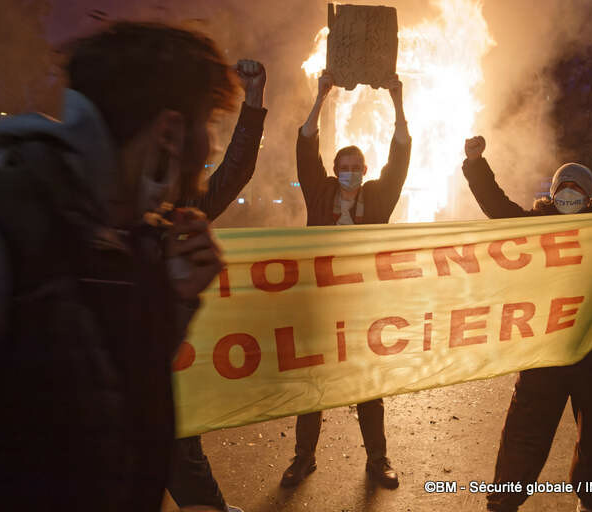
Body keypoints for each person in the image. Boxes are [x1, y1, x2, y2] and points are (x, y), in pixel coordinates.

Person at [0, 22, 230, 511]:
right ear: (170, 133)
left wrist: (174, 301)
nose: (209, 155)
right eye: (209, 130)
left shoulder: (123, 240)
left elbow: (107, 404)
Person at [462, 135, 592, 512]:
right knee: (525, 433)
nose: (570, 195)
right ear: (552, 193)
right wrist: (475, 163)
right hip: (544, 352)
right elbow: (498, 208)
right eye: (564, 188)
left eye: (577, 188)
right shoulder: (534, 226)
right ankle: (504, 500)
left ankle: (588, 493)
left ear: (590, 195)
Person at [280, 70, 411, 489]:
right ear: (335, 170)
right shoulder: (319, 194)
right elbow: (305, 143)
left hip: (364, 306)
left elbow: (401, 154)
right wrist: (321, 96)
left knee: (367, 383)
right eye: (344, 167)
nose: (351, 172)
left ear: (365, 170)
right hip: (319, 303)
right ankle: (304, 458)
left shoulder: (377, 196)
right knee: (314, 385)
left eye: (357, 167)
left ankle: (378, 460)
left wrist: (398, 101)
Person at [168, 59, 267, 512]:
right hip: (109, 404)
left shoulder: (186, 208)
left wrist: (254, 99)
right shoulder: (92, 215)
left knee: (185, 464)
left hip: (166, 386)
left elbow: (235, 170)